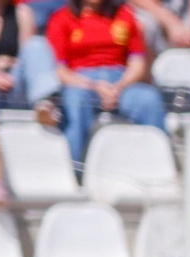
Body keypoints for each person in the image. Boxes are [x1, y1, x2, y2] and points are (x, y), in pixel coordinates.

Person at [39, 0, 166, 166]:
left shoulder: (124, 14)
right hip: (81, 81)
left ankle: (157, 164)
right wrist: (94, 85)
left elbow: (137, 61)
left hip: (120, 79)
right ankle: (73, 169)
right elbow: (60, 70)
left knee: (149, 99)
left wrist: (120, 86)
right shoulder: (61, 18)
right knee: (76, 101)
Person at [0, 0, 43, 204]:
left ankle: (44, 104)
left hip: (14, 83)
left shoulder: (22, 13)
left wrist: (7, 66)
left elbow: (26, 57)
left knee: (37, 45)